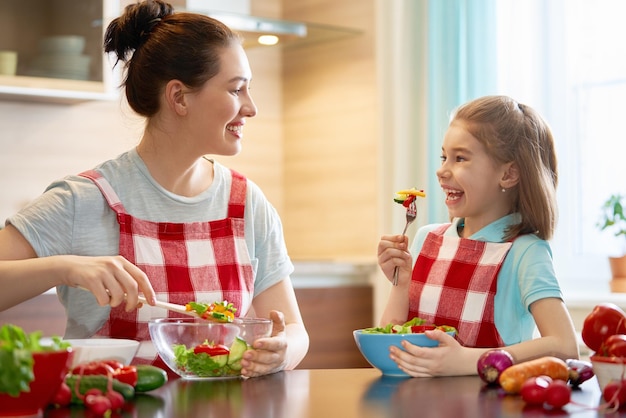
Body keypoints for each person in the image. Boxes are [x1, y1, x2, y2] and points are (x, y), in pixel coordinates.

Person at [0, 0, 308, 378]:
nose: (251, 108)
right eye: (236, 90)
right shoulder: (84, 199)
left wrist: (281, 352)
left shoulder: (246, 204)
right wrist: (64, 268)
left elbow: (294, 330)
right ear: (178, 97)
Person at [377, 95, 579, 377]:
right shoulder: (426, 238)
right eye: (443, 156)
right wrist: (401, 284)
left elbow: (565, 346)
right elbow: (394, 341)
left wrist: (467, 361)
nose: (442, 170)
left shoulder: (525, 252)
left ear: (509, 174)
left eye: (460, 158)